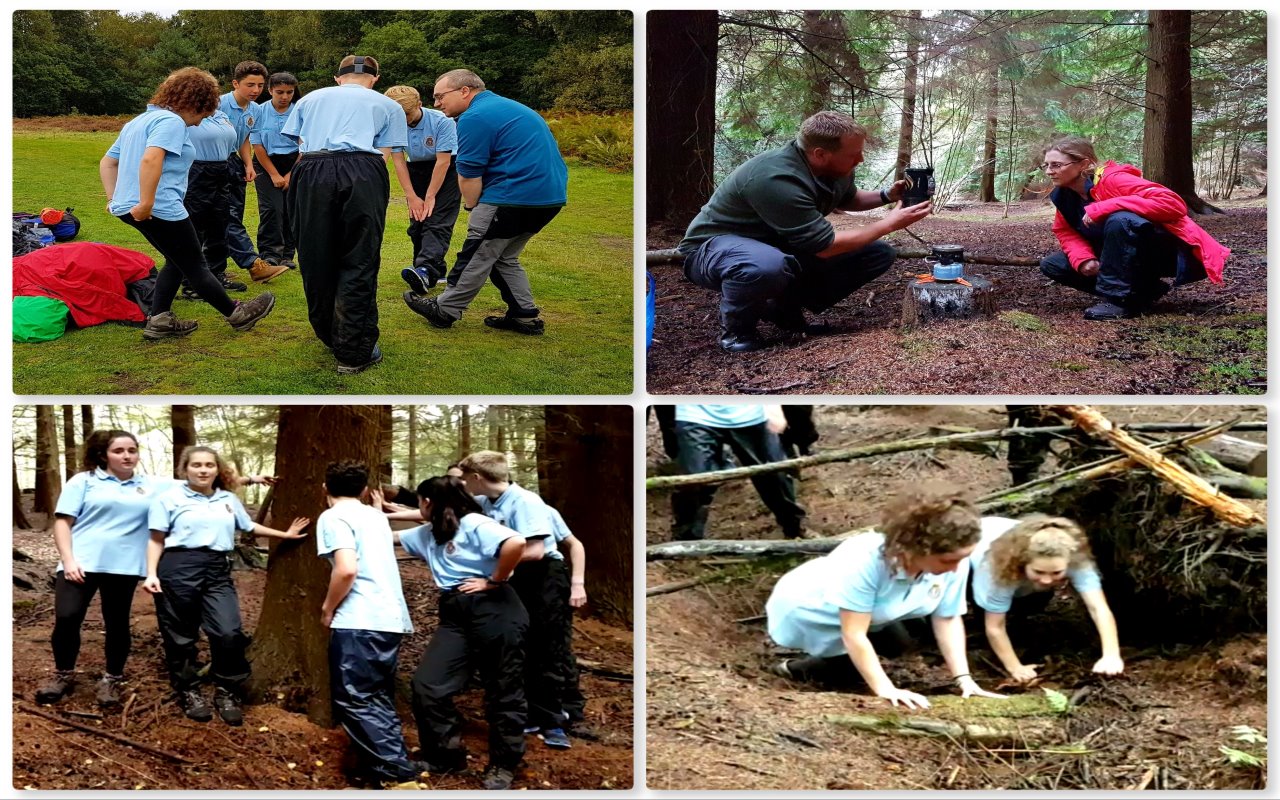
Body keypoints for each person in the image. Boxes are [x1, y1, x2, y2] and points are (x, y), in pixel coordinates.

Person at [678, 111, 930, 352]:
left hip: (775, 246)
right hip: (711, 249)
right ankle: (737, 333)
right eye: (854, 154)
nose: (860, 159)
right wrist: (889, 223)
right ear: (820, 154)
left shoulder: (832, 169)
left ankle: (782, 308)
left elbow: (848, 198)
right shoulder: (776, 179)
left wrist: (887, 195)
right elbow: (825, 247)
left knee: (876, 253)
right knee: (765, 265)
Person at [766, 483, 1004, 709]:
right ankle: (793, 668)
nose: (956, 568)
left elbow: (948, 618)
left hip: (874, 610)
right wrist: (886, 689)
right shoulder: (864, 559)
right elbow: (854, 633)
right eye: (948, 560)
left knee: (900, 645)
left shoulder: (954, 564)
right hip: (811, 609)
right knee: (850, 671)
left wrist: (964, 679)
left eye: (962, 559)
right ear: (917, 547)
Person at [99, 67, 277, 340]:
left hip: (128, 208)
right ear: (195, 102)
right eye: (203, 113)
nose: (200, 121)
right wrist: (147, 202)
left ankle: (159, 320)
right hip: (161, 209)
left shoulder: (138, 122)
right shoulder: (171, 122)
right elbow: (151, 159)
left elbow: (108, 162)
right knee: (196, 265)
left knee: (176, 260)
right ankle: (238, 314)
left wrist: (114, 200)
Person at [144, 446, 308, 724]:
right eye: (196, 465)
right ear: (185, 470)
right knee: (181, 635)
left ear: (218, 470)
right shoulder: (169, 499)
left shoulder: (228, 499)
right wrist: (150, 573)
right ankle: (188, 690)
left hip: (217, 568)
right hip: (178, 566)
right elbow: (156, 538)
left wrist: (285, 534)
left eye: (209, 465)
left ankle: (227, 689)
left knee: (228, 631)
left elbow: (249, 527)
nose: (203, 470)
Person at [281, 54, 420, 375]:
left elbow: (301, 146)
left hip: (313, 167)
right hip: (363, 169)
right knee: (359, 257)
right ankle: (354, 349)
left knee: (315, 255)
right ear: (375, 78)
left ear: (337, 77)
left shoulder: (310, 100)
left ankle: (329, 333)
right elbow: (385, 154)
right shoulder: (388, 106)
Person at [403, 69, 567, 335]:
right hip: (549, 198)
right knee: (503, 257)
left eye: (440, 96)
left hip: (512, 197)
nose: (436, 104)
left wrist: (471, 206)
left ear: (464, 91)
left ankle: (445, 310)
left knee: (476, 253)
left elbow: (469, 172)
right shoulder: (507, 106)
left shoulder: (474, 117)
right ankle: (524, 315)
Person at [399, 476, 530, 791]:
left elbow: (516, 542)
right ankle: (445, 756)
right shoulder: (430, 532)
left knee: (503, 689)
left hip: (495, 608)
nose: (418, 508)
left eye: (419, 501)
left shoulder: (474, 523)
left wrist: (495, 580)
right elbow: (388, 537)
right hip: (455, 613)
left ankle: (504, 764)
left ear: (427, 502)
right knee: (427, 684)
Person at [36, 431, 172, 707]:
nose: (126, 456)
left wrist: (249, 480)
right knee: (67, 616)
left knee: (117, 622)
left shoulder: (151, 485)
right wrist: (69, 560)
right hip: (80, 563)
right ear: (103, 454)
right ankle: (63, 674)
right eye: (119, 450)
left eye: (132, 450)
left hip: (124, 566)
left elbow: (197, 482)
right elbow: (62, 523)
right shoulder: (83, 481)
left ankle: (112, 679)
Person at [455, 451, 575, 750]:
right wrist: (388, 513)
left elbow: (534, 551)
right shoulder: (485, 502)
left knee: (547, 647)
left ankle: (553, 722)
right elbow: (446, 512)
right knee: (517, 644)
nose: (464, 483)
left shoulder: (526, 502)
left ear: (477, 478)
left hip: (543, 576)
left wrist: (492, 575)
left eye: (465, 477)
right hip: (513, 576)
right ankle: (527, 715)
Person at [1038, 136, 1231, 320]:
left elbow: (1173, 204)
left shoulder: (1113, 180)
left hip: (1162, 252)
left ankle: (1119, 301)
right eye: (1046, 165)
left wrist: (1105, 206)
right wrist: (1083, 259)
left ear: (1083, 164)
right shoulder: (1064, 195)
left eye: (1056, 165)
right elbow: (1066, 231)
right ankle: (1145, 291)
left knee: (1120, 219)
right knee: (1053, 264)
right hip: (1120, 256)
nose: (1049, 171)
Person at [315, 461, 422, 785]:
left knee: (356, 698)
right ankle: (382, 767)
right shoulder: (374, 516)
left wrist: (327, 607)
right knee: (375, 696)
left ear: (325, 489)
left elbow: (346, 568)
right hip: (388, 617)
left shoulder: (333, 517)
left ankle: (398, 777)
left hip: (360, 617)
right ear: (364, 490)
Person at [969, 515, 1123, 680]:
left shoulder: (1076, 561)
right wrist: (1015, 668)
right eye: (1039, 572)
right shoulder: (998, 571)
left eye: (1056, 572)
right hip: (976, 549)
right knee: (991, 612)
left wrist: (1112, 655)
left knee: (1035, 598)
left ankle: (1021, 617)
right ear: (1023, 561)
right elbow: (995, 627)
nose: (1047, 579)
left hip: (1024, 568)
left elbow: (1098, 608)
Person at [670, 405, 812, 541]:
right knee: (694, 480)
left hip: (753, 414)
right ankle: (686, 538)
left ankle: (794, 528)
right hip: (695, 414)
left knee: (774, 475)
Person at [384, 85, 462, 294]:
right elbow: (399, 162)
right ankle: (431, 270)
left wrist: (429, 196)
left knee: (437, 221)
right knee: (418, 222)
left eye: (407, 114)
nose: (404, 121)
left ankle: (426, 269)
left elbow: (443, 162)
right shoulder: (392, 124)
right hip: (415, 170)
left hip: (445, 170)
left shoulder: (442, 122)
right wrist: (412, 196)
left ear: (419, 104)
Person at [219, 60, 284, 281]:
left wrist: (248, 164)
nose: (255, 90)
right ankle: (253, 264)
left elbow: (245, 138)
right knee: (225, 216)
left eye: (259, 85)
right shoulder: (218, 104)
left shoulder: (256, 109)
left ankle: (215, 272)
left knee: (231, 214)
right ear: (235, 83)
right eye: (250, 85)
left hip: (233, 162)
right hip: (213, 163)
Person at [251, 72, 302, 270]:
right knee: (271, 208)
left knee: (291, 209)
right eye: (279, 92)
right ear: (270, 90)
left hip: (295, 161)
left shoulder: (300, 111)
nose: (284, 97)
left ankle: (288, 254)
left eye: (289, 92)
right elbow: (257, 145)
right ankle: (270, 253)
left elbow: (305, 144)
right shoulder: (259, 111)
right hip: (266, 162)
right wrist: (274, 174)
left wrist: (291, 173)